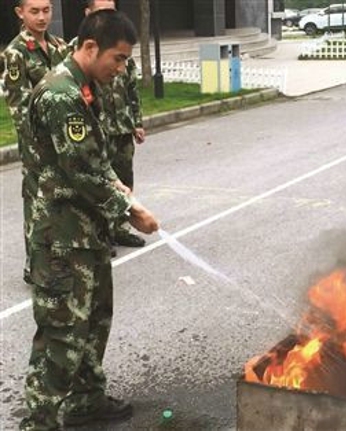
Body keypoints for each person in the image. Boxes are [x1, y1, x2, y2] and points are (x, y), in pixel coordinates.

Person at [19, 9, 159, 430]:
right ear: (91, 47)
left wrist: (120, 189)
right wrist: (129, 210)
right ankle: (39, 420)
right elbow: (81, 170)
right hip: (62, 239)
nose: (121, 69)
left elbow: (96, 161)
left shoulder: (82, 88)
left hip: (86, 235)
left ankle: (85, 401)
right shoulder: (62, 95)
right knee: (62, 336)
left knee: (94, 322)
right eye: (118, 59)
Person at [1, 0, 69, 283]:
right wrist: (43, 139)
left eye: (46, 10)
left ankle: (56, 259)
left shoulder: (59, 47)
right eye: (34, 11)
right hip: (38, 145)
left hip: (62, 141)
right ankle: (35, 267)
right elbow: (18, 107)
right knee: (38, 204)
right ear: (20, 13)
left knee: (59, 202)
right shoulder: (15, 53)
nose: (42, 17)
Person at [89, 0, 147, 249]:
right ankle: (100, 234)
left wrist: (137, 122)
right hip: (98, 130)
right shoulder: (81, 51)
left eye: (111, 11)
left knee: (124, 179)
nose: (107, 16)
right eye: (101, 11)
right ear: (88, 14)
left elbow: (132, 90)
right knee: (99, 183)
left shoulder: (123, 51)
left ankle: (119, 228)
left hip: (122, 128)